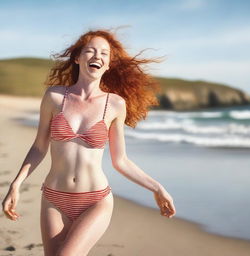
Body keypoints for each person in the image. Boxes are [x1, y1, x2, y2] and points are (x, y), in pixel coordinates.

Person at [2, 28, 176, 256]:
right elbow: (39, 147)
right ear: (77, 57)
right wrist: (16, 183)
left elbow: (120, 160)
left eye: (104, 53)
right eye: (90, 51)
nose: (97, 56)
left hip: (95, 200)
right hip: (54, 198)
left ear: (108, 64)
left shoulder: (115, 105)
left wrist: (157, 187)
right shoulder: (55, 97)